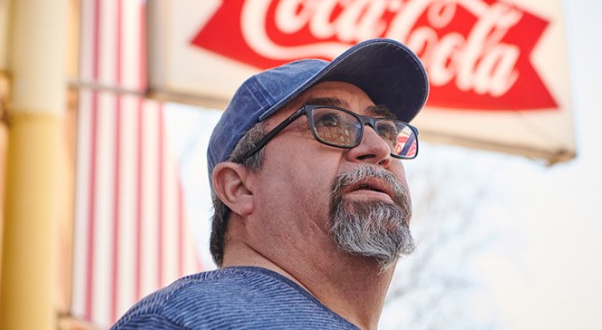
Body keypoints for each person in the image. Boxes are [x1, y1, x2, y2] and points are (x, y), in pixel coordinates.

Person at [112, 38, 429, 329]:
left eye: (387, 130)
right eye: (330, 123)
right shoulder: (187, 321)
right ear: (239, 187)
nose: (379, 148)